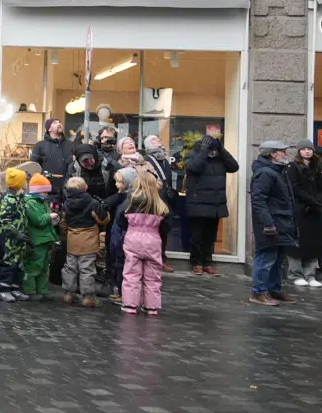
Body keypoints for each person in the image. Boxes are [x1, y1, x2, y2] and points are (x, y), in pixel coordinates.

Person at [117, 166, 172, 316]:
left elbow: (120, 220)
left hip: (133, 239)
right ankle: (152, 307)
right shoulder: (160, 205)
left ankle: (130, 305)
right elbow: (167, 226)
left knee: (131, 274)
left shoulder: (130, 202)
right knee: (153, 276)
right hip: (153, 240)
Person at [250, 141, 299, 307]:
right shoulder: (265, 173)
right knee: (266, 258)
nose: (285, 154)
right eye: (282, 151)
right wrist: (268, 224)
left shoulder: (277, 171)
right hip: (271, 223)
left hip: (280, 221)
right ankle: (258, 292)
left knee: (277, 259)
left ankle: (273, 290)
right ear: (272, 154)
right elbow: (258, 200)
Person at [183, 134, 238, 276]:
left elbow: (234, 167)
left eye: (215, 149)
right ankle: (196, 263)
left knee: (210, 236)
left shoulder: (220, 157)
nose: (213, 152)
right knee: (197, 236)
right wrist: (203, 151)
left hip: (215, 204)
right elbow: (194, 167)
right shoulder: (192, 155)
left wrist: (222, 150)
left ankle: (208, 262)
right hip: (198, 203)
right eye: (211, 149)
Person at [59, 176, 109, 307]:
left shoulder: (66, 204)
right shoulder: (92, 203)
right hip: (88, 241)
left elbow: (63, 222)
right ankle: (88, 297)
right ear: (85, 188)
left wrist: (65, 234)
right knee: (87, 269)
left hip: (72, 240)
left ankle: (68, 294)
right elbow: (103, 219)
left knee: (70, 268)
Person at [287, 142, 322, 288]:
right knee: (297, 243)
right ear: (299, 151)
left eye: (309, 149)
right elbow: (295, 188)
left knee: (314, 243)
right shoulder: (293, 167)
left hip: (315, 211)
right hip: (300, 210)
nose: (307, 152)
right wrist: (312, 201)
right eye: (304, 149)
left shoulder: (318, 166)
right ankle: (295, 274)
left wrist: (318, 202)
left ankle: (310, 275)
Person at [21, 174, 59, 301]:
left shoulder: (40, 202)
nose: (47, 194)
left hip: (44, 239)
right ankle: (30, 290)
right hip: (37, 240)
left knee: (43, 267)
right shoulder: (31, 203)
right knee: (34, 266)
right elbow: (38, 220)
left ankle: (42, 290)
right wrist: (50, 216)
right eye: (45, 191)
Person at [0, 169, 30, 302]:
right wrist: (16, 233)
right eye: (24, 181)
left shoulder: (19, 198)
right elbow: (4, 219)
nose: (26, 183)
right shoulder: (10, 199)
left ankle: (15, 288)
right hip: (10, 239)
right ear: (19, 183)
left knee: (18, 264)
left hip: (19, 240)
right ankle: (3, 290)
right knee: (8, 262)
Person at [30, 118, 72, 198]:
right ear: (49, 129)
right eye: (55, 123)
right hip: (47, 192)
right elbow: (33, 168)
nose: (59, 124)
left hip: (67, 192)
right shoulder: (40, 146)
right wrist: (48, 175)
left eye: (60, 122)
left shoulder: (70, 145)